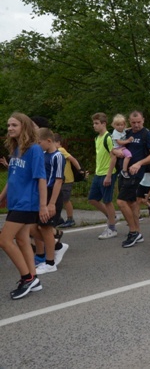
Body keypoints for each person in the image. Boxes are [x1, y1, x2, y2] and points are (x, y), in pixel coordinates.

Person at [0, 113, 48, 300]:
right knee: (21, 240)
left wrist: (43, 206)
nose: (10, 128)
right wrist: (2, 197)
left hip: (27, 203)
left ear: (24, 127)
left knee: (4, 240)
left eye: (14, 125)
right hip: (15, 201)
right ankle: (33, 278)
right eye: (8, 125)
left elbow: (41, 178)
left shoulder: (34, 150)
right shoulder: (16, 149)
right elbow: (12, 179)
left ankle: (26, 278)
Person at [116, 111, 150, 248]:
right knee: (132, 202)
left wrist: (139, 163)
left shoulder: (147, 134)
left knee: (121, 201)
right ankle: (137, 232)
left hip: (136, 173)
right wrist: (116, 152)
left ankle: (133, 232)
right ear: (129, 121)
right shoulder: (127, 133)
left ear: (143, 120)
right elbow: (116, 146)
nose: (136, 125)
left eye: (139, 122)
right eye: (133, 122)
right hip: (124, 171)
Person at [30, 128, 66, 275]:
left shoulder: (58, 156)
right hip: (42, 194)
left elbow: (58, 181)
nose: (38, 145)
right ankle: (57, 245)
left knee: (45, 227)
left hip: (53, 194)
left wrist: (51, 203)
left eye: (39, 142)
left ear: (49, 141)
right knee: (33, 227)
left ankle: (50, 262)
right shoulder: (44, 154)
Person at [89, 113, 119, 239]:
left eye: (97, 123)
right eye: (94, 123)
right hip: (98, 172)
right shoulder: (97, 138)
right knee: (92, 199)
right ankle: (112, 216)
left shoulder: (108, 137)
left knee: (107, 201)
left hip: (107, 173)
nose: (94, 126)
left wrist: (108, 176)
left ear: (104, 124)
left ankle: (112, 228)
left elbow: (114, 157)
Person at [53, 133, 83, 228]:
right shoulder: (54, 152)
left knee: (65, 199)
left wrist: (79, 169)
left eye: (53, 143)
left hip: (67, 179)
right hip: (60, 179)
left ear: (58, 142)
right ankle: (58, 218)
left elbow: (72, 159)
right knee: (58, 199)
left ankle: (70, 219)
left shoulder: (61, 150)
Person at [110, 114, 133, 179]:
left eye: (121, 125)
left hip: (121, 147)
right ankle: (124, 170)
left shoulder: (123, 130)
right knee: (128, 155)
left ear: (124, 125)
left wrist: (132, 127)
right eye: (117, 125)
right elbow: (119, 142)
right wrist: (128, 141)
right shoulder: (115, 133)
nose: (120, 127)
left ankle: (119, 172)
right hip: (118, 148)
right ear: (114, 125)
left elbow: (126, 129)